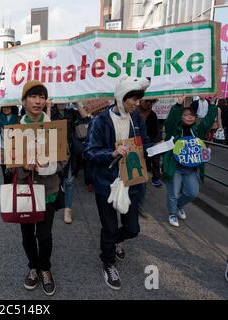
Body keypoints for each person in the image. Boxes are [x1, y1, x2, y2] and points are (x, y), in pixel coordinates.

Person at [87, 76, 151, 291]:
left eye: (138, 99)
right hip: (106, 182)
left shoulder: (137, 120)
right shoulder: (101, 120)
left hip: (131, 180)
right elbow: (91, 152)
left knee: (132, 229)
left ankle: (115, 241)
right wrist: (112, 152)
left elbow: (144, 144)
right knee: (109, 226)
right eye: (132, 98)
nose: (136, 103)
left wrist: (154, 152)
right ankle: (108, 262)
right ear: (120, 97)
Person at [14, 80, 65, 296]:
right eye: (33, 96)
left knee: (44, 235)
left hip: (49, 190)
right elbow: (10, 162)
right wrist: (23, 166)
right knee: (27, 235)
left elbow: (64, 160)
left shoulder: (55, 126)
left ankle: (45, 268)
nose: (38, 101)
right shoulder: (16, 129)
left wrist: (48, 164)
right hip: (25, 190)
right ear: (24, 101)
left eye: (41, 97)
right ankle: (33, 267)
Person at [163, 96, 217, 228]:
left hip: (191, 169)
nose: (189, 117)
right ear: (181, 117)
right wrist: (178, 105)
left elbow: (208, 122)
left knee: (192, 193)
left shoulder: (198, 130)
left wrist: (212, 105)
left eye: (192, 115)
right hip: (175, 167)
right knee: (173, 193)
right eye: (186, 114)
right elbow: (170, 120)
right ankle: (172, 213)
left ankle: (179, 206)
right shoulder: (174, 130)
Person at [49, 103, 79, 224]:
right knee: (55, 178)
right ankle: (54, 203)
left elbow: (86, 119)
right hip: (54, 150)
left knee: (70, 181)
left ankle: (68, 209)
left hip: (69, 151)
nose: (62, 102)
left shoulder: (71, 112)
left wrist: (77, 102)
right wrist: (47, 107)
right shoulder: (50, 110)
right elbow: (46, 125)